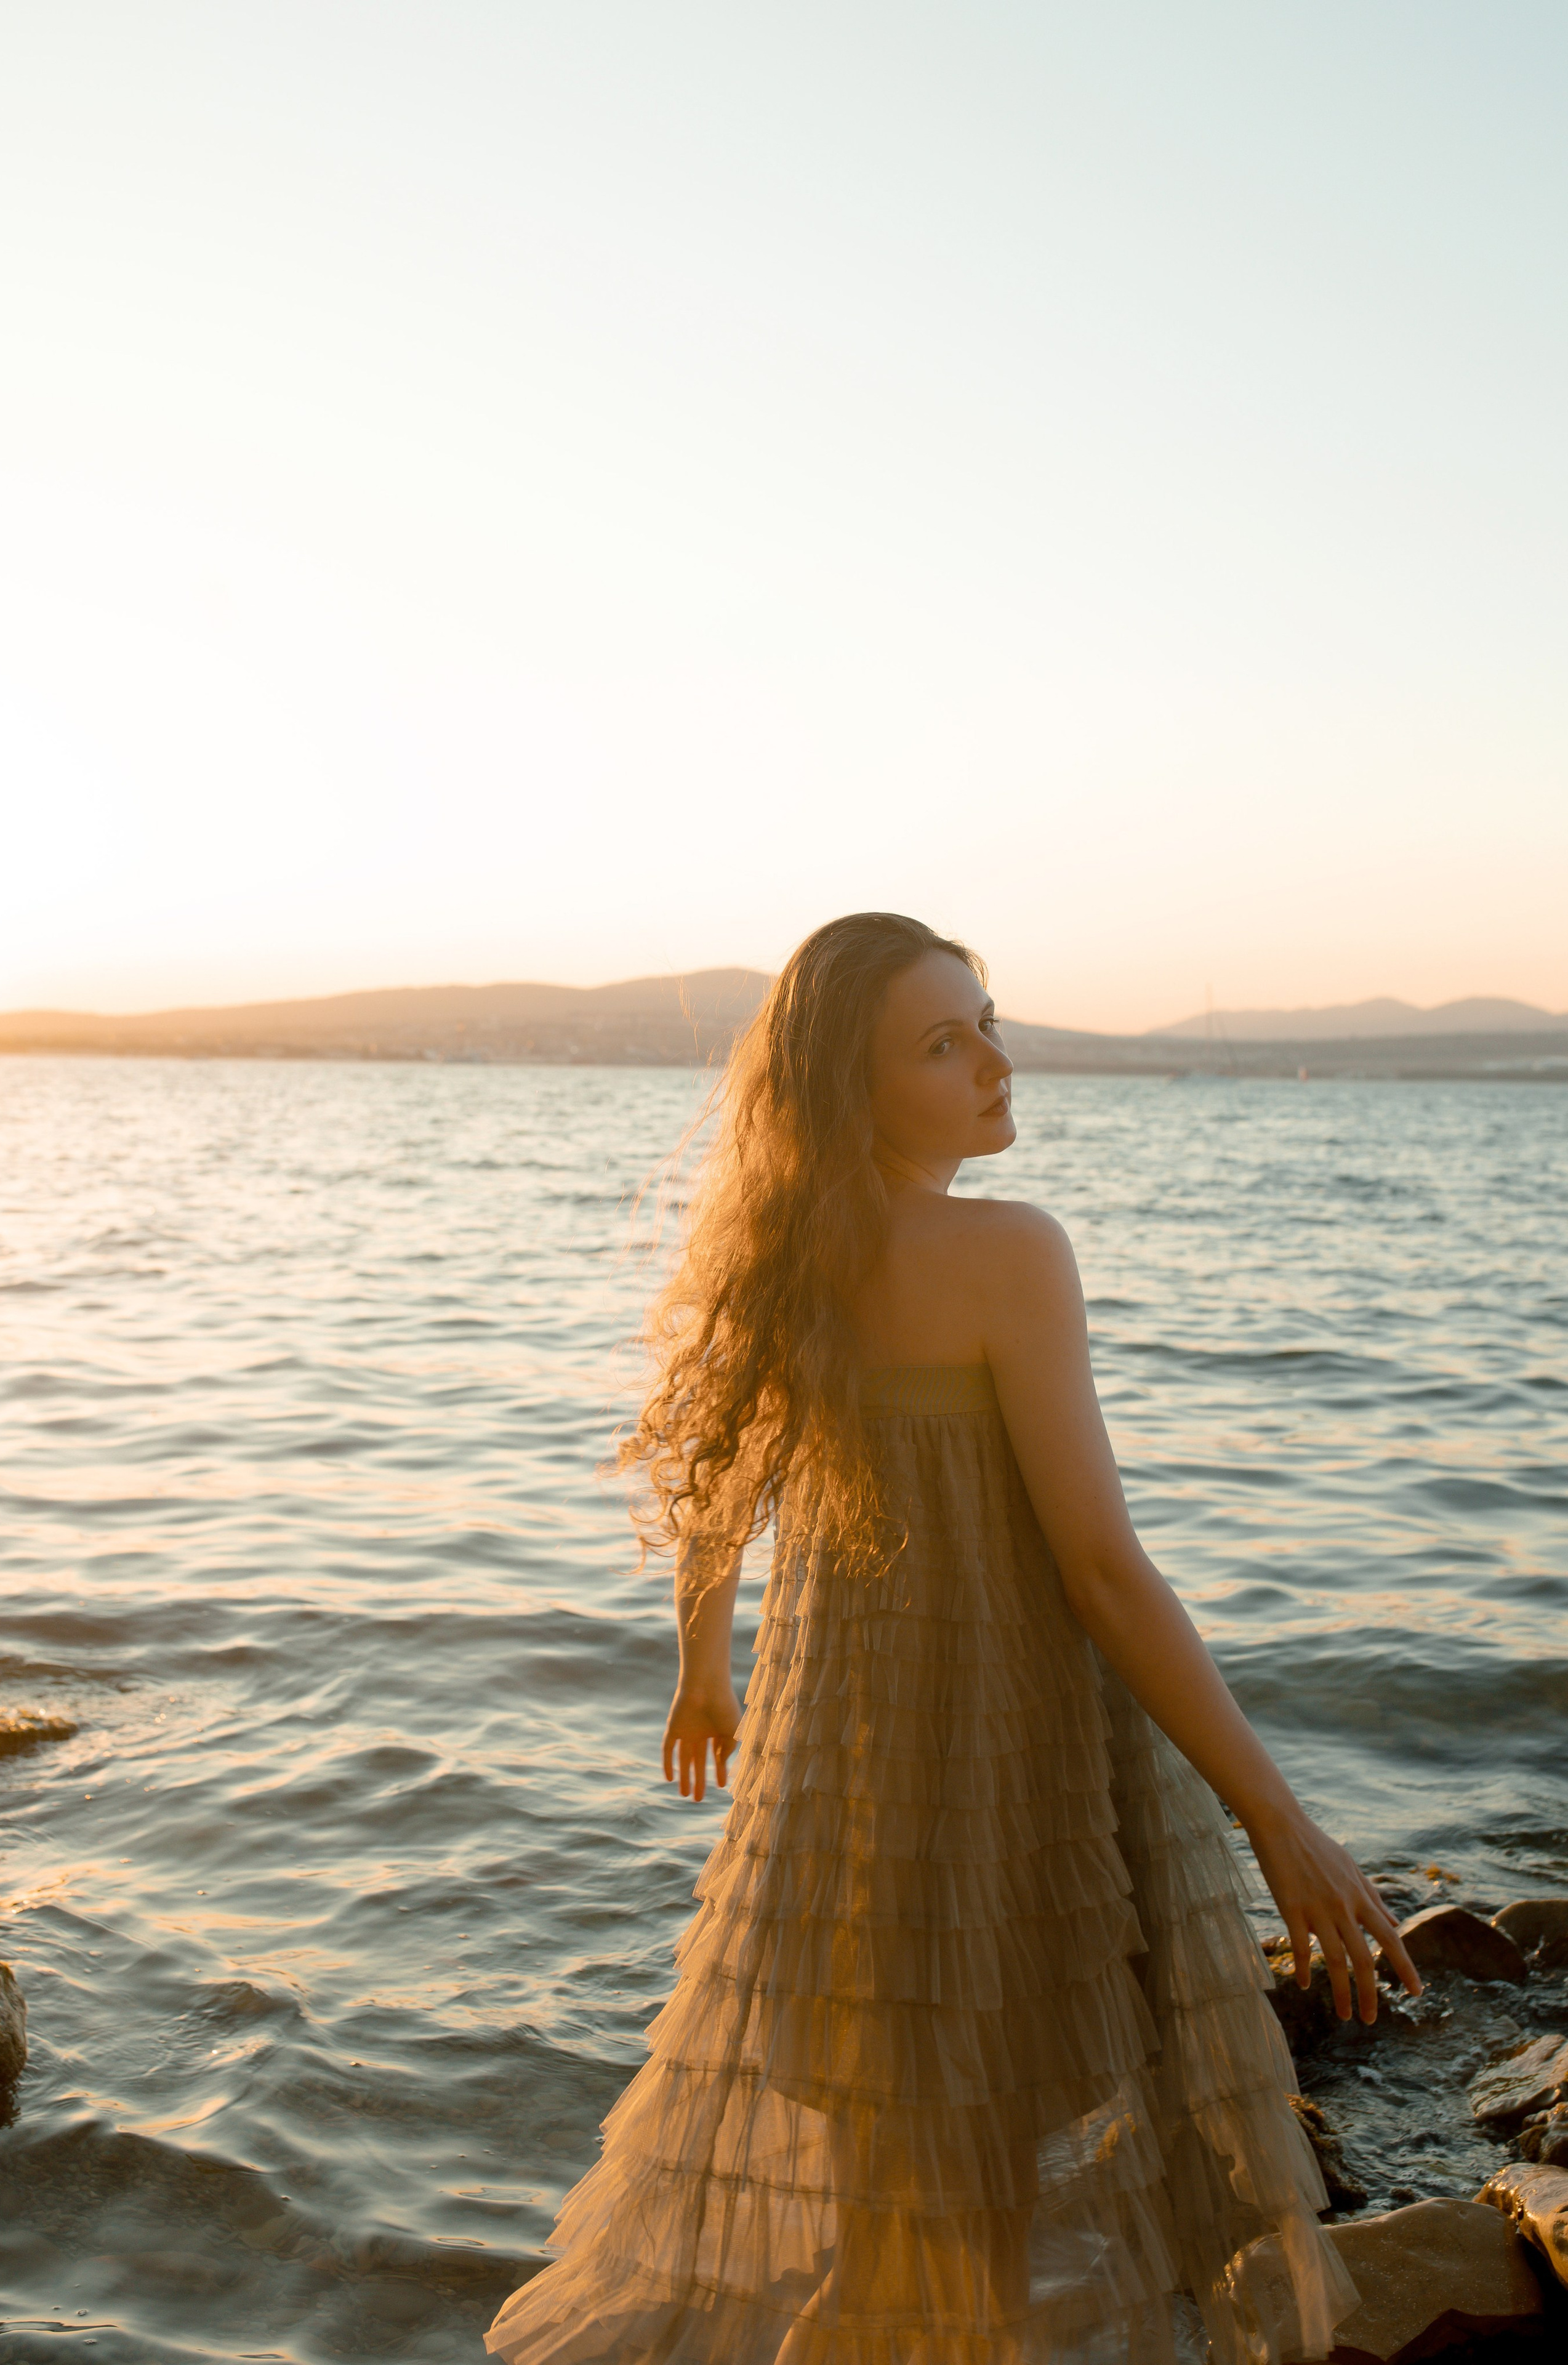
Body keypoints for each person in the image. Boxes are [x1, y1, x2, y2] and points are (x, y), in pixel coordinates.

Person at [486, 912, 1421, 2365]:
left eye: (986, 1018)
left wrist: (702, 1665)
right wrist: (1275, 1820)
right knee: (959, 2249)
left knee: (891, 2225)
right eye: (942, 1042)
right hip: (1009, 1784)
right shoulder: (1006, 1251)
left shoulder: (784, 1259)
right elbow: (1102, 1573)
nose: (995, 1062)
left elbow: (717, 1488)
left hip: (840, 1785)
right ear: (848, 1089)